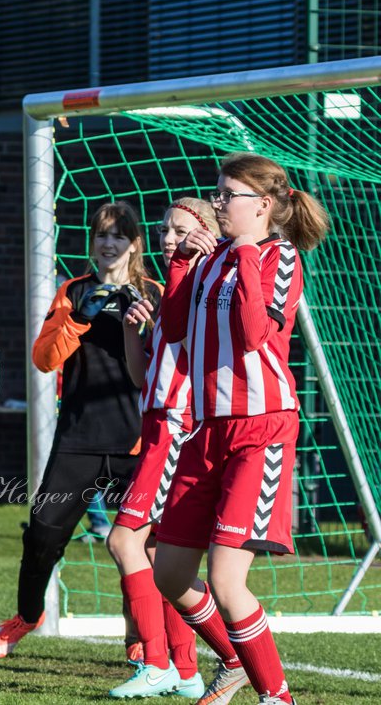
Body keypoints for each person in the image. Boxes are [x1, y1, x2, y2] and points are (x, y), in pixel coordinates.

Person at [153, 154, 330, 705]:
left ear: (265, 205)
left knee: (229, 583)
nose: (219, 202)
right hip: (205, 429)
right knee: (170, 574)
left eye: (230, 194)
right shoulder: (213, 259)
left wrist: (248, 251)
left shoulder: (279, 256)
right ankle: (234, 661)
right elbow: (177, 328)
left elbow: (254, 332)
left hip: (261, 429)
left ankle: (277, 697)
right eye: (219, 192)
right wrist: (181, 262)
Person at [0, 201, 161, 659]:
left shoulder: (155, 292)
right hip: (78, 439)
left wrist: (140, 327)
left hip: (136, 441)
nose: (108, 243)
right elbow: (44, 360)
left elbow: (164, 366)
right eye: (101, 235)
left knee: (141, 546)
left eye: (118, 236)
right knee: (43, 534)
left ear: (134, 244)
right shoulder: (72, 290)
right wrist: (77, 319)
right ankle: (26, 616)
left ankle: (138, 637)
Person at [105, 197, 218, 699]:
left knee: (124, 541)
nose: (168, 238)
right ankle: (187, 670)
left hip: (178, 427)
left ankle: (155, 662)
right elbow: (141, 376)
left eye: (179, 230)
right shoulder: (176, 285)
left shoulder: (206, 282)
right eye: (164, 230)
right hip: (156, 425)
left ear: (205, 233)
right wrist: (134, 335)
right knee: (156, 551)